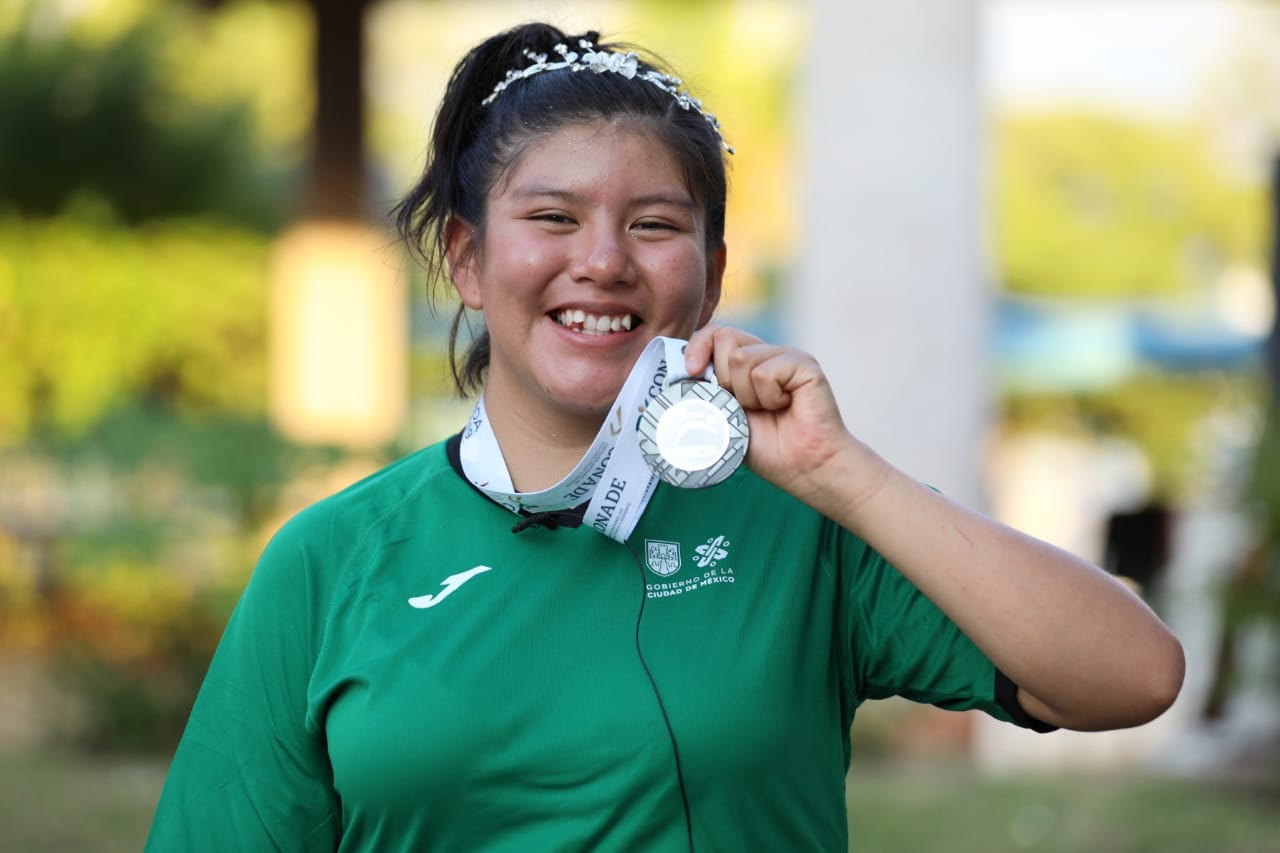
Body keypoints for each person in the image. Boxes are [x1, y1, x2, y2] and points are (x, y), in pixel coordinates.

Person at [145, 22, 1185, 852]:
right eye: (551, 218)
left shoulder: (799, 516)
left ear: (711, 272)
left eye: (651, 224)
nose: (601, 262)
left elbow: (1132, 677)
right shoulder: (331, 561)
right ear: (465, 258)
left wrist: (843, 473)